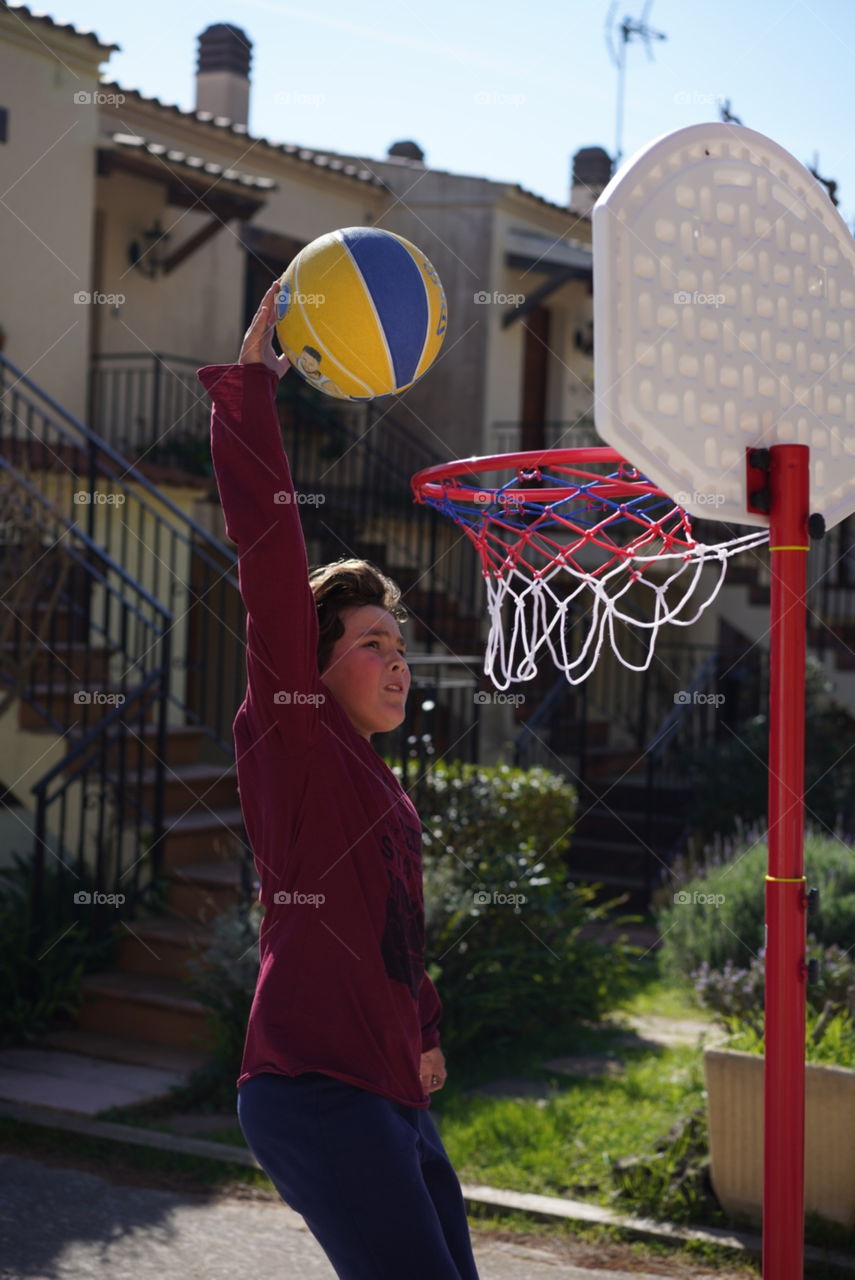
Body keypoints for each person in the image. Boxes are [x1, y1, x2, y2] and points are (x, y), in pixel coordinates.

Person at [197, 282, 481, 1280]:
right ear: (311, 665)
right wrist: (251, 396)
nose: (398, 661)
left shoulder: (375, 777)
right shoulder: (298, 735)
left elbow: (389, 918)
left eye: (400, 645)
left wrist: (426, 1026)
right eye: (371, 643)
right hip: (316, 1087)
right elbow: (270, 559)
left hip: (390, 1085)